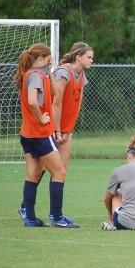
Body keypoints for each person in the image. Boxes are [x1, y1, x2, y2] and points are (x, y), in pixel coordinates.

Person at [15, 43, 77, 228]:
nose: (51, 61)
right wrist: (41, 117)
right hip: (39, 134)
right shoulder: (35, 76)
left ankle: (31, 218)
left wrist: (49, 73)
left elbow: (55, 92)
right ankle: (57, 217)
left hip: (28, 134)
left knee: (33, 175)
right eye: (49, 58)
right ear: (40, 59)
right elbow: (33, 100)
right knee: (59, 172)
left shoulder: (35, 75)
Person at [50, 42, 94, 171]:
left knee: (62, 170)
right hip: (51, 127)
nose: (92, 60)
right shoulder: (63, 72)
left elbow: (76, 106)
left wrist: (67, 130)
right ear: (78, 57)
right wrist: (57, 130)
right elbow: (55, 104)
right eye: (89, 57)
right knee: (39, 170)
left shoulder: (81, 75)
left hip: (65, 128)